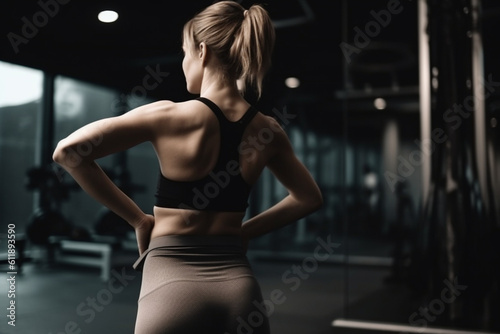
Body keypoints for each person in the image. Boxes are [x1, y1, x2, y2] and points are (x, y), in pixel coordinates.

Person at [52, 1, 323, 333]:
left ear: (202, 52)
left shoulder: (169, 115)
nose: (183, 63)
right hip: (239, 288)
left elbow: (68, 152)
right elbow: (309, 197)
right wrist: (244, 232)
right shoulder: (268, 130)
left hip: (171, 284)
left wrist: (137, 219)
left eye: (184, 52)